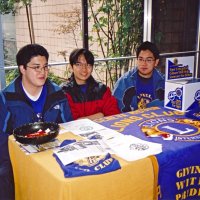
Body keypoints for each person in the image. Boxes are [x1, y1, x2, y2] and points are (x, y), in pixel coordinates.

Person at [0, 44, 73, 199]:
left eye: (45, 67)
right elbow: (2, 139)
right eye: (36, 67)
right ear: (22, 69)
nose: (43, 72)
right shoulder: (7, 98)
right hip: (18, 158)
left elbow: (68, 127)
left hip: (53, 154)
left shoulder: (57, 94)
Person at [62, 48, 120, 120]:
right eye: (79, 64)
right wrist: (100, 115)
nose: (84, 69)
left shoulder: (102, 90)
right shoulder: (65, 92)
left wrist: (83, 119)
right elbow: (70, 121)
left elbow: (114, 115)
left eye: (88, 65)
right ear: (71, 67)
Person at [113, 41, 165, 112]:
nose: (144, 63)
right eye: (140, 59)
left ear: (156, 62)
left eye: (148, 60)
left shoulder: (163, 81)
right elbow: (115, 109)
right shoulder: (124, 82)